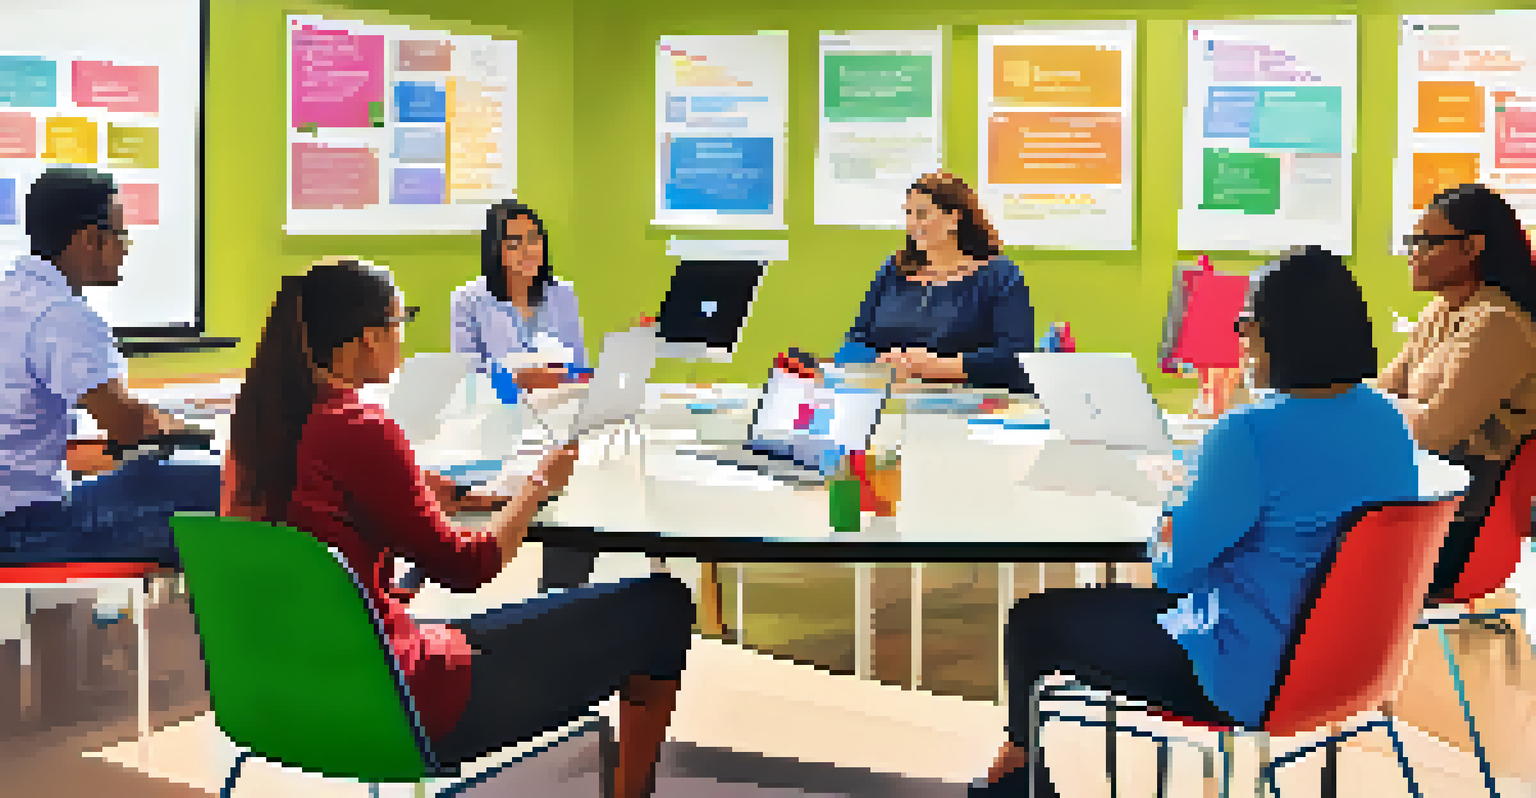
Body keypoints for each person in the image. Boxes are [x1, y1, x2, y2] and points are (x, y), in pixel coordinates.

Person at [224, 259, 693, 798]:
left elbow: (329, 521)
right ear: (368, 338)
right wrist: (536, 487)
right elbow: (471, 565)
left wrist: (427, 495)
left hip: (279, 695)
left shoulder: (257, 434)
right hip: (399, 701)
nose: (403, 336)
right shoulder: (362, 428)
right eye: (401, 321)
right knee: (661, 607)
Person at [970, 247, 1420, 797]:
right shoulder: (1387, 420)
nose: (1240, 338)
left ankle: (1012, 781)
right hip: (1353, 665)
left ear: (1268, 334)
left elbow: (1173, 574)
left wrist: (1174, 508)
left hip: (1247, 673)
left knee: (1035, 623)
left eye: (1243, 324)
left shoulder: (1248, 434)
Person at [0, 166, 220, 566]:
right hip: (24, 531)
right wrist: (198, 429)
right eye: (120, 234)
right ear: (89, 239)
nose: (126, 248)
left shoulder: (13, 293)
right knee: (218, 488)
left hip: (16, 516)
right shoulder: (60, 313)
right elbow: (131, 427)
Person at [1380, 183, 1536, 601]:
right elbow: (1384, 388)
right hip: (1421, 502)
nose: (1414, 253)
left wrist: (1376, 407)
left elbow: (1435, 432)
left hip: (1459, 525)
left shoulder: (1498, 324)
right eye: (1413, 241)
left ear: (1472, 248)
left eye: (1427, 242)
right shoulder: (1442, 311)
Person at [789, 172, 1036, 393]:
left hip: (969, 409)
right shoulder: (893, 271)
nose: (911, 224)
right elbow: (856, 340)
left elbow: (1015, 359)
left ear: (953, 219)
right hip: (890, 401)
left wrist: (935, 366)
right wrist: (879, 364)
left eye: (921, 214)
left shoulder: (999, 274)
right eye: (908, 214)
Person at [451, 199, 587, 391]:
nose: (528, 251)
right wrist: (515, 380)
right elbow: (466, 377)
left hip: (559, 405)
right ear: (496, 249)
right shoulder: (468, 301)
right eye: (515, 243)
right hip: (497, 410)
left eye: (534, 240)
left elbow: (579, 367)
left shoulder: (562, 293)